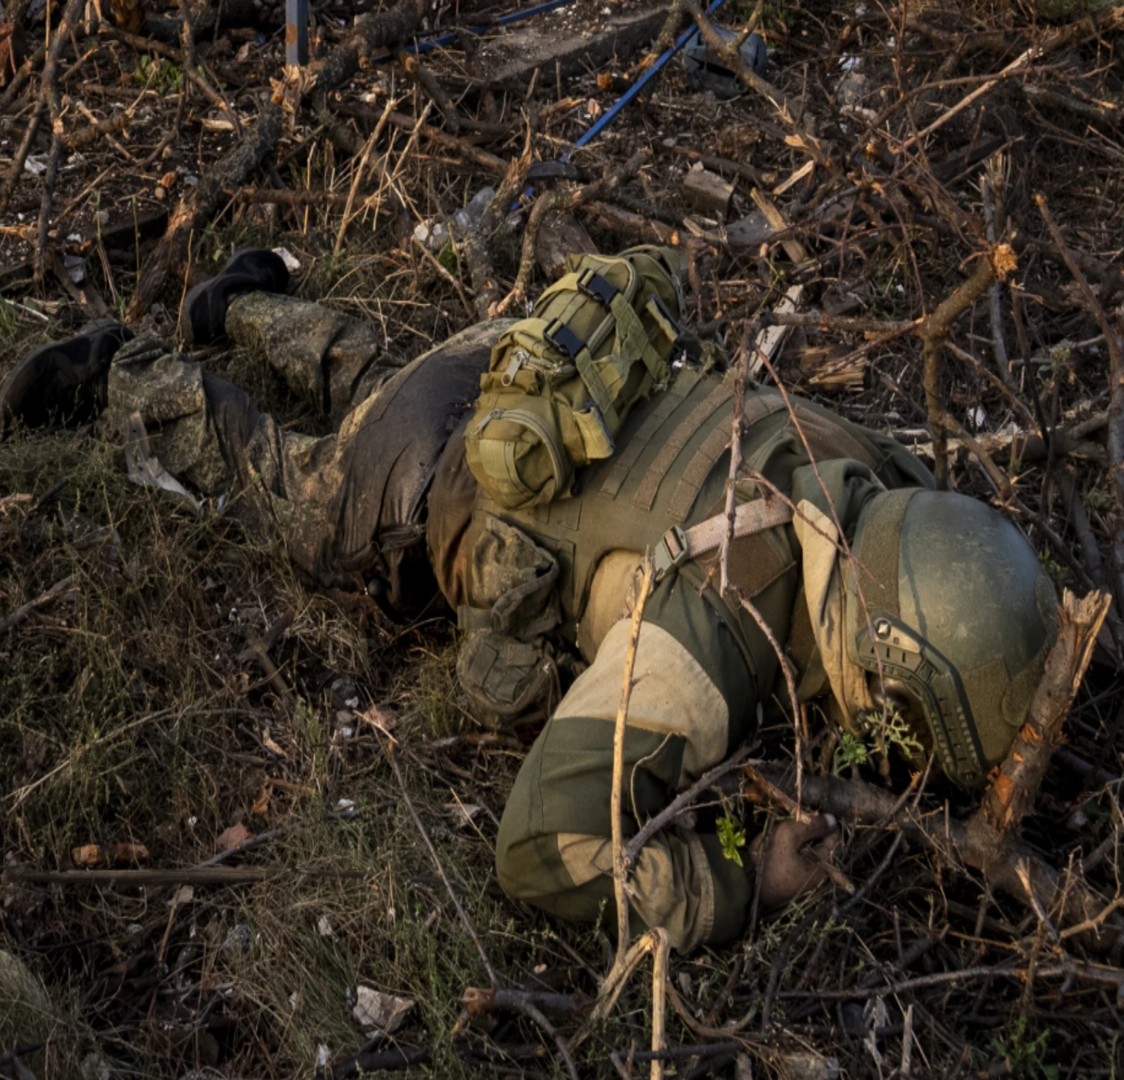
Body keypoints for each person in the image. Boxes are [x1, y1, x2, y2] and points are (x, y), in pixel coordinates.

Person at [0, 248, 1058, 955]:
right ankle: (123, 366)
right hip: (430, 474)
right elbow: (541, 854)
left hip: (521, 359)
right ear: (884, 657)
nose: (889, 751)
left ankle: (237, 301)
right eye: (902, 725)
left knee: (383, 377)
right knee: (297, 500)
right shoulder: (715, 630)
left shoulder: (872, 473)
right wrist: (751, 883)